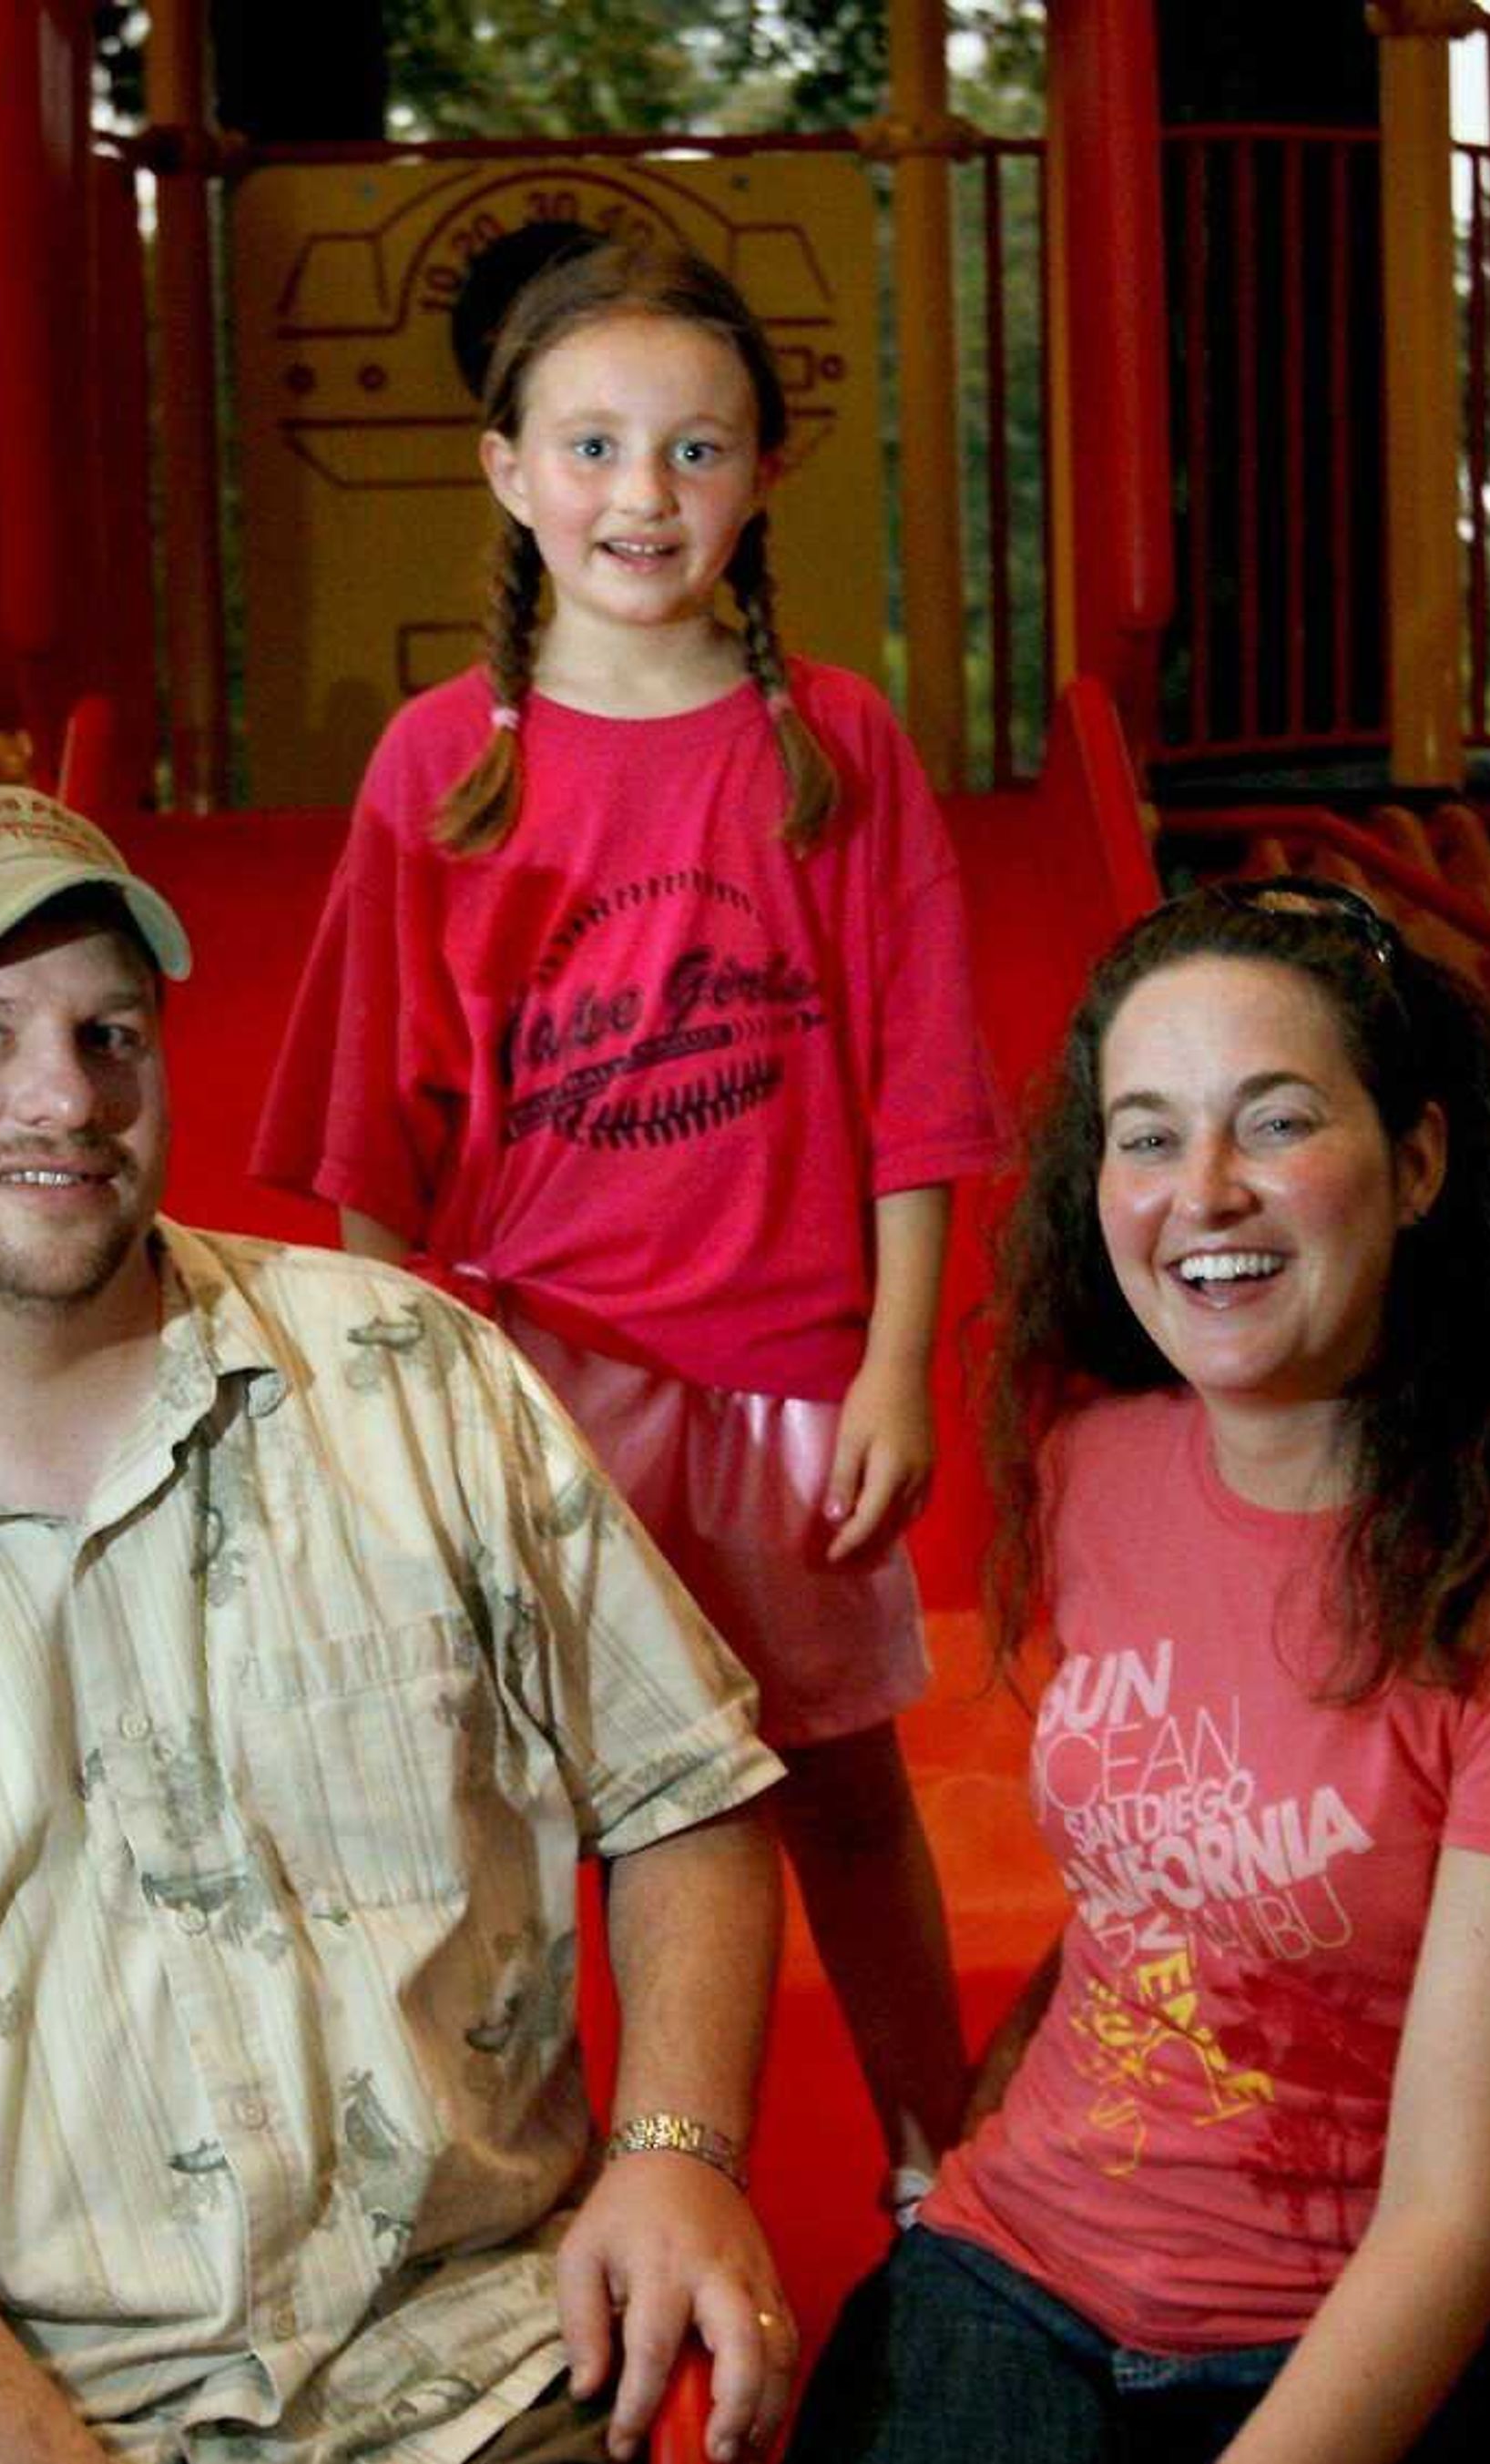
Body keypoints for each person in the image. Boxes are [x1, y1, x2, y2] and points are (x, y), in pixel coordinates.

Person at [0, 783, 800, 2464]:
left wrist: (675, 2149)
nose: (61, 1093)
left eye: (107, 1030)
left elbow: (689, 1791)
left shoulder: (410, 1383)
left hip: (466, 2391)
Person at [779, 879, 1490, 2464]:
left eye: (1275, 1122)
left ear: (1420, 1162)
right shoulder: (1097, 1466)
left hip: (1403, 2343)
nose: (1201, 1192)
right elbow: (1141, 1890)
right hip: (1021, 2282)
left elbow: (1447, 2219)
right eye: (1146, 1137)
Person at [253, 240, 1004, 2211]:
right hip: (526, 1390)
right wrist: (369, 1404)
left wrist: (898, 1365)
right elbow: (370, 1122)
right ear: (508, 472)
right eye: (593, 445)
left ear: (762, 476)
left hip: (779, 1386)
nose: (643, 493)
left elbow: (924, 1092)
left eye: (695, 448)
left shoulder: (828, 745)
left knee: (835, 1784)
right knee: (516, 1811)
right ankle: (548, 2189)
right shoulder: (446, 763)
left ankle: (953, 2152)